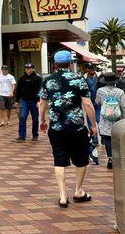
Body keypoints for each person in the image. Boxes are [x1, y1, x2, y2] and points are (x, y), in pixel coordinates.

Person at [38, 50, 97, 208]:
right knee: (81, 158)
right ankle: (78, 191)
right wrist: (93, 125)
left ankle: (63, 196)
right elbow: (87, 103)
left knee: (59, 159)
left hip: (56, 128)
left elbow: (42, 102)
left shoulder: (48, 80)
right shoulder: (78, 78)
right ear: (70, 63)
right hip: (76, 128)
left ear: (55, 64)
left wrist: (42, 120)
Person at [95, 72, 125, 169]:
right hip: (118, 117)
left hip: (105, 118)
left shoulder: (100, 91)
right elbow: (123, 106)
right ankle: (118, 157)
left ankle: (110, 158)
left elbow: (97, 102)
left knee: (107, 138)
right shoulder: (120, 92)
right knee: (118, 137)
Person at [14, 63, 42, 141]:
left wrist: (39, 101)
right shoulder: (22, 78)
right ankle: (22, 136)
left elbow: (41, 91)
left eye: (29, 68)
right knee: (22, 117)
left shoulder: (38, 78)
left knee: (35, 118)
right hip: (24, 101)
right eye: (26, 68)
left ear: (33, 69)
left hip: (34, 101)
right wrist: (16, 100)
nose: (28, 70)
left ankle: (35, 135)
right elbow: (18, 90)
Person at [83, 62, 100, 164]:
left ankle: (101, 137)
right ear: (86, 69)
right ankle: (94, 140)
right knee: (90, 122)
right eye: (90, 68)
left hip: (98, 102)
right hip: (89, 102)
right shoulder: (84, 79)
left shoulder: (99, 78)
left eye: (93, 68)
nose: (92, 70)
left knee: (99, 120)